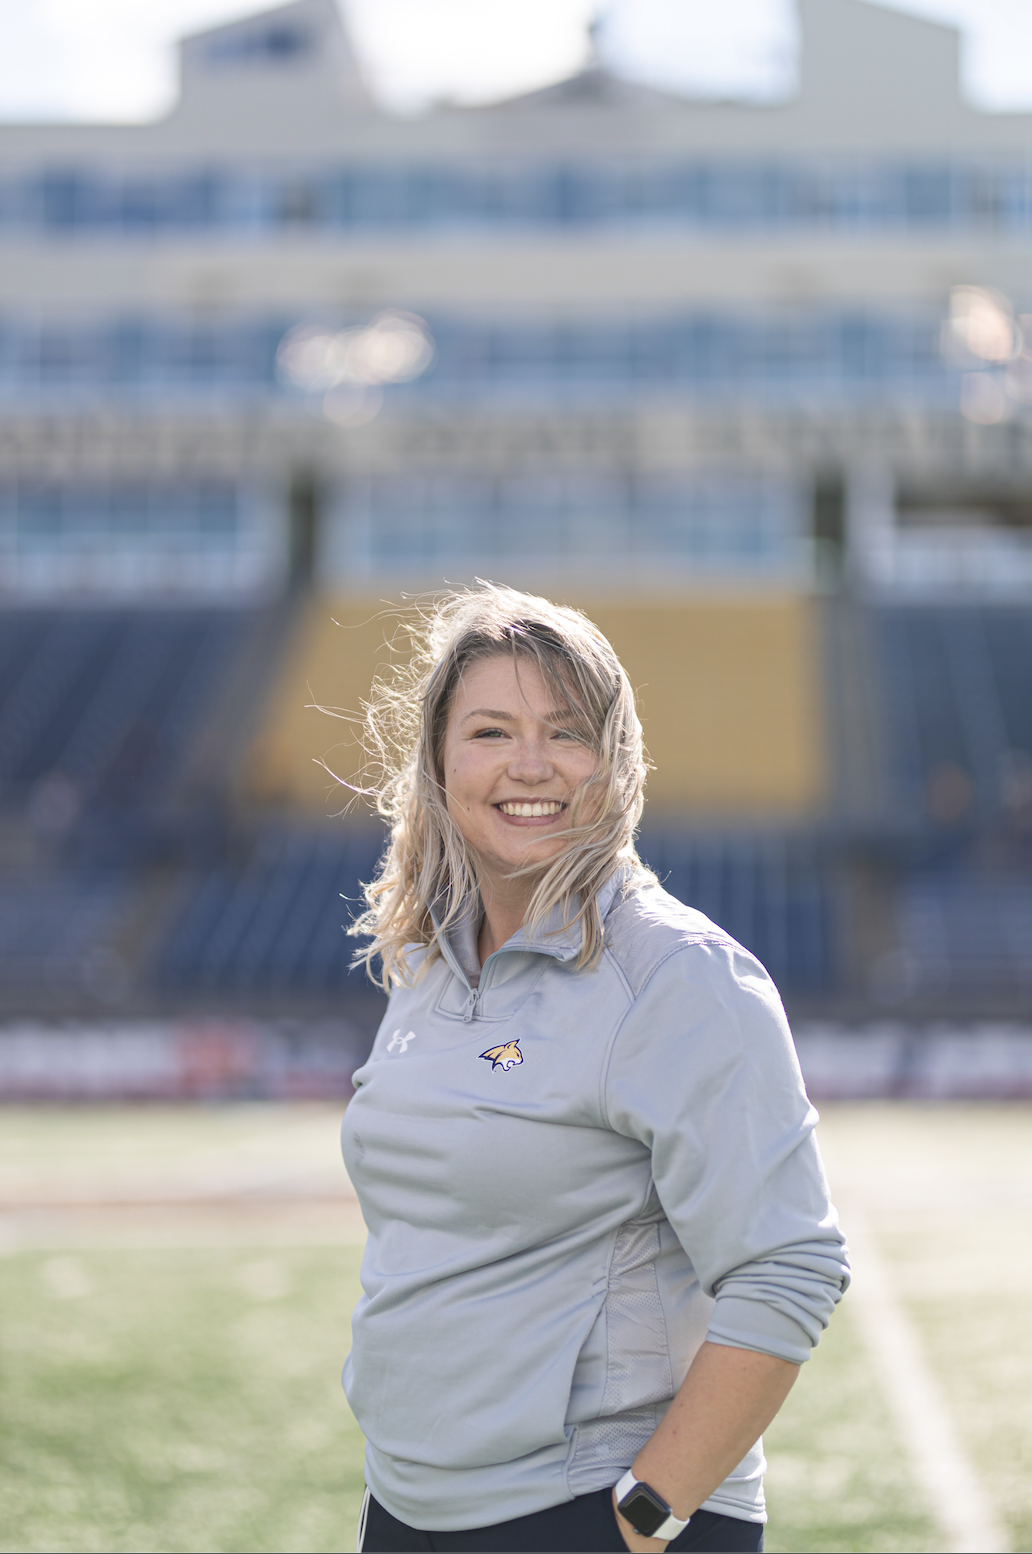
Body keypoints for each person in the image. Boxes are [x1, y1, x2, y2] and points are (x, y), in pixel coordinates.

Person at [341, 584, 849, 1553]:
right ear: (437, 761)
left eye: (567, 732)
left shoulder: (678, 976)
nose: (529, 765)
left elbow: (789, 1267)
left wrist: (649, 1511)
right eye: (490, 731)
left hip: (589, 1515)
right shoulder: (431, 960)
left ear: (616, 765)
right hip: (410, 1507)